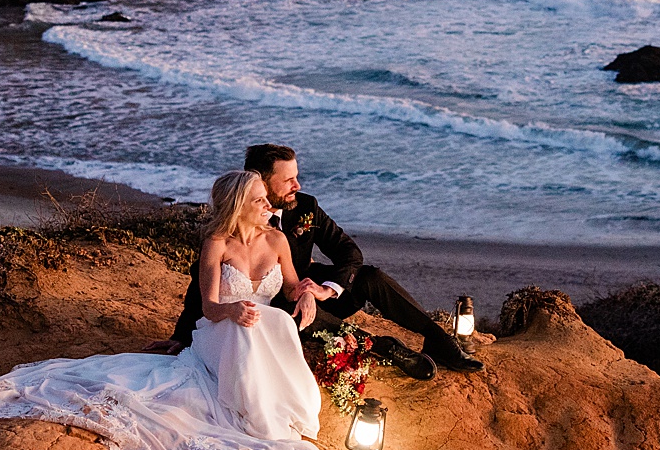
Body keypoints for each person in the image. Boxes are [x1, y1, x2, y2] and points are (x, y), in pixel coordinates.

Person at [0, 170, 325, 450]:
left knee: (273, 319)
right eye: (259, 200)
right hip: (220, 331)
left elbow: (293, 287)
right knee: (243, 329)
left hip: (260, 333)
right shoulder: (217, 243)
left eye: (266, 198)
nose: (268, 205)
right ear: (238, 206)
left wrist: (307, 294)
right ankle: (252, 408)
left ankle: (270, 400)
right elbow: (209, 308)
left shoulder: (277, 240)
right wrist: (232, 310)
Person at [167, 144, 483, 377]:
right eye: (288, 179)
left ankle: (439, 339)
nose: (297, 185)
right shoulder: (224, 236)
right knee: (287, 315)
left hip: (305, 291)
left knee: (369, 276)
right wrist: (182, 336)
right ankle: (383, 347)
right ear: (261, 181)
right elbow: (206, 283)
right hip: (270, 311)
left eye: (297, 177)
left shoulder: (305, 207)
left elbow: (349, 252)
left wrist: (324, 290)